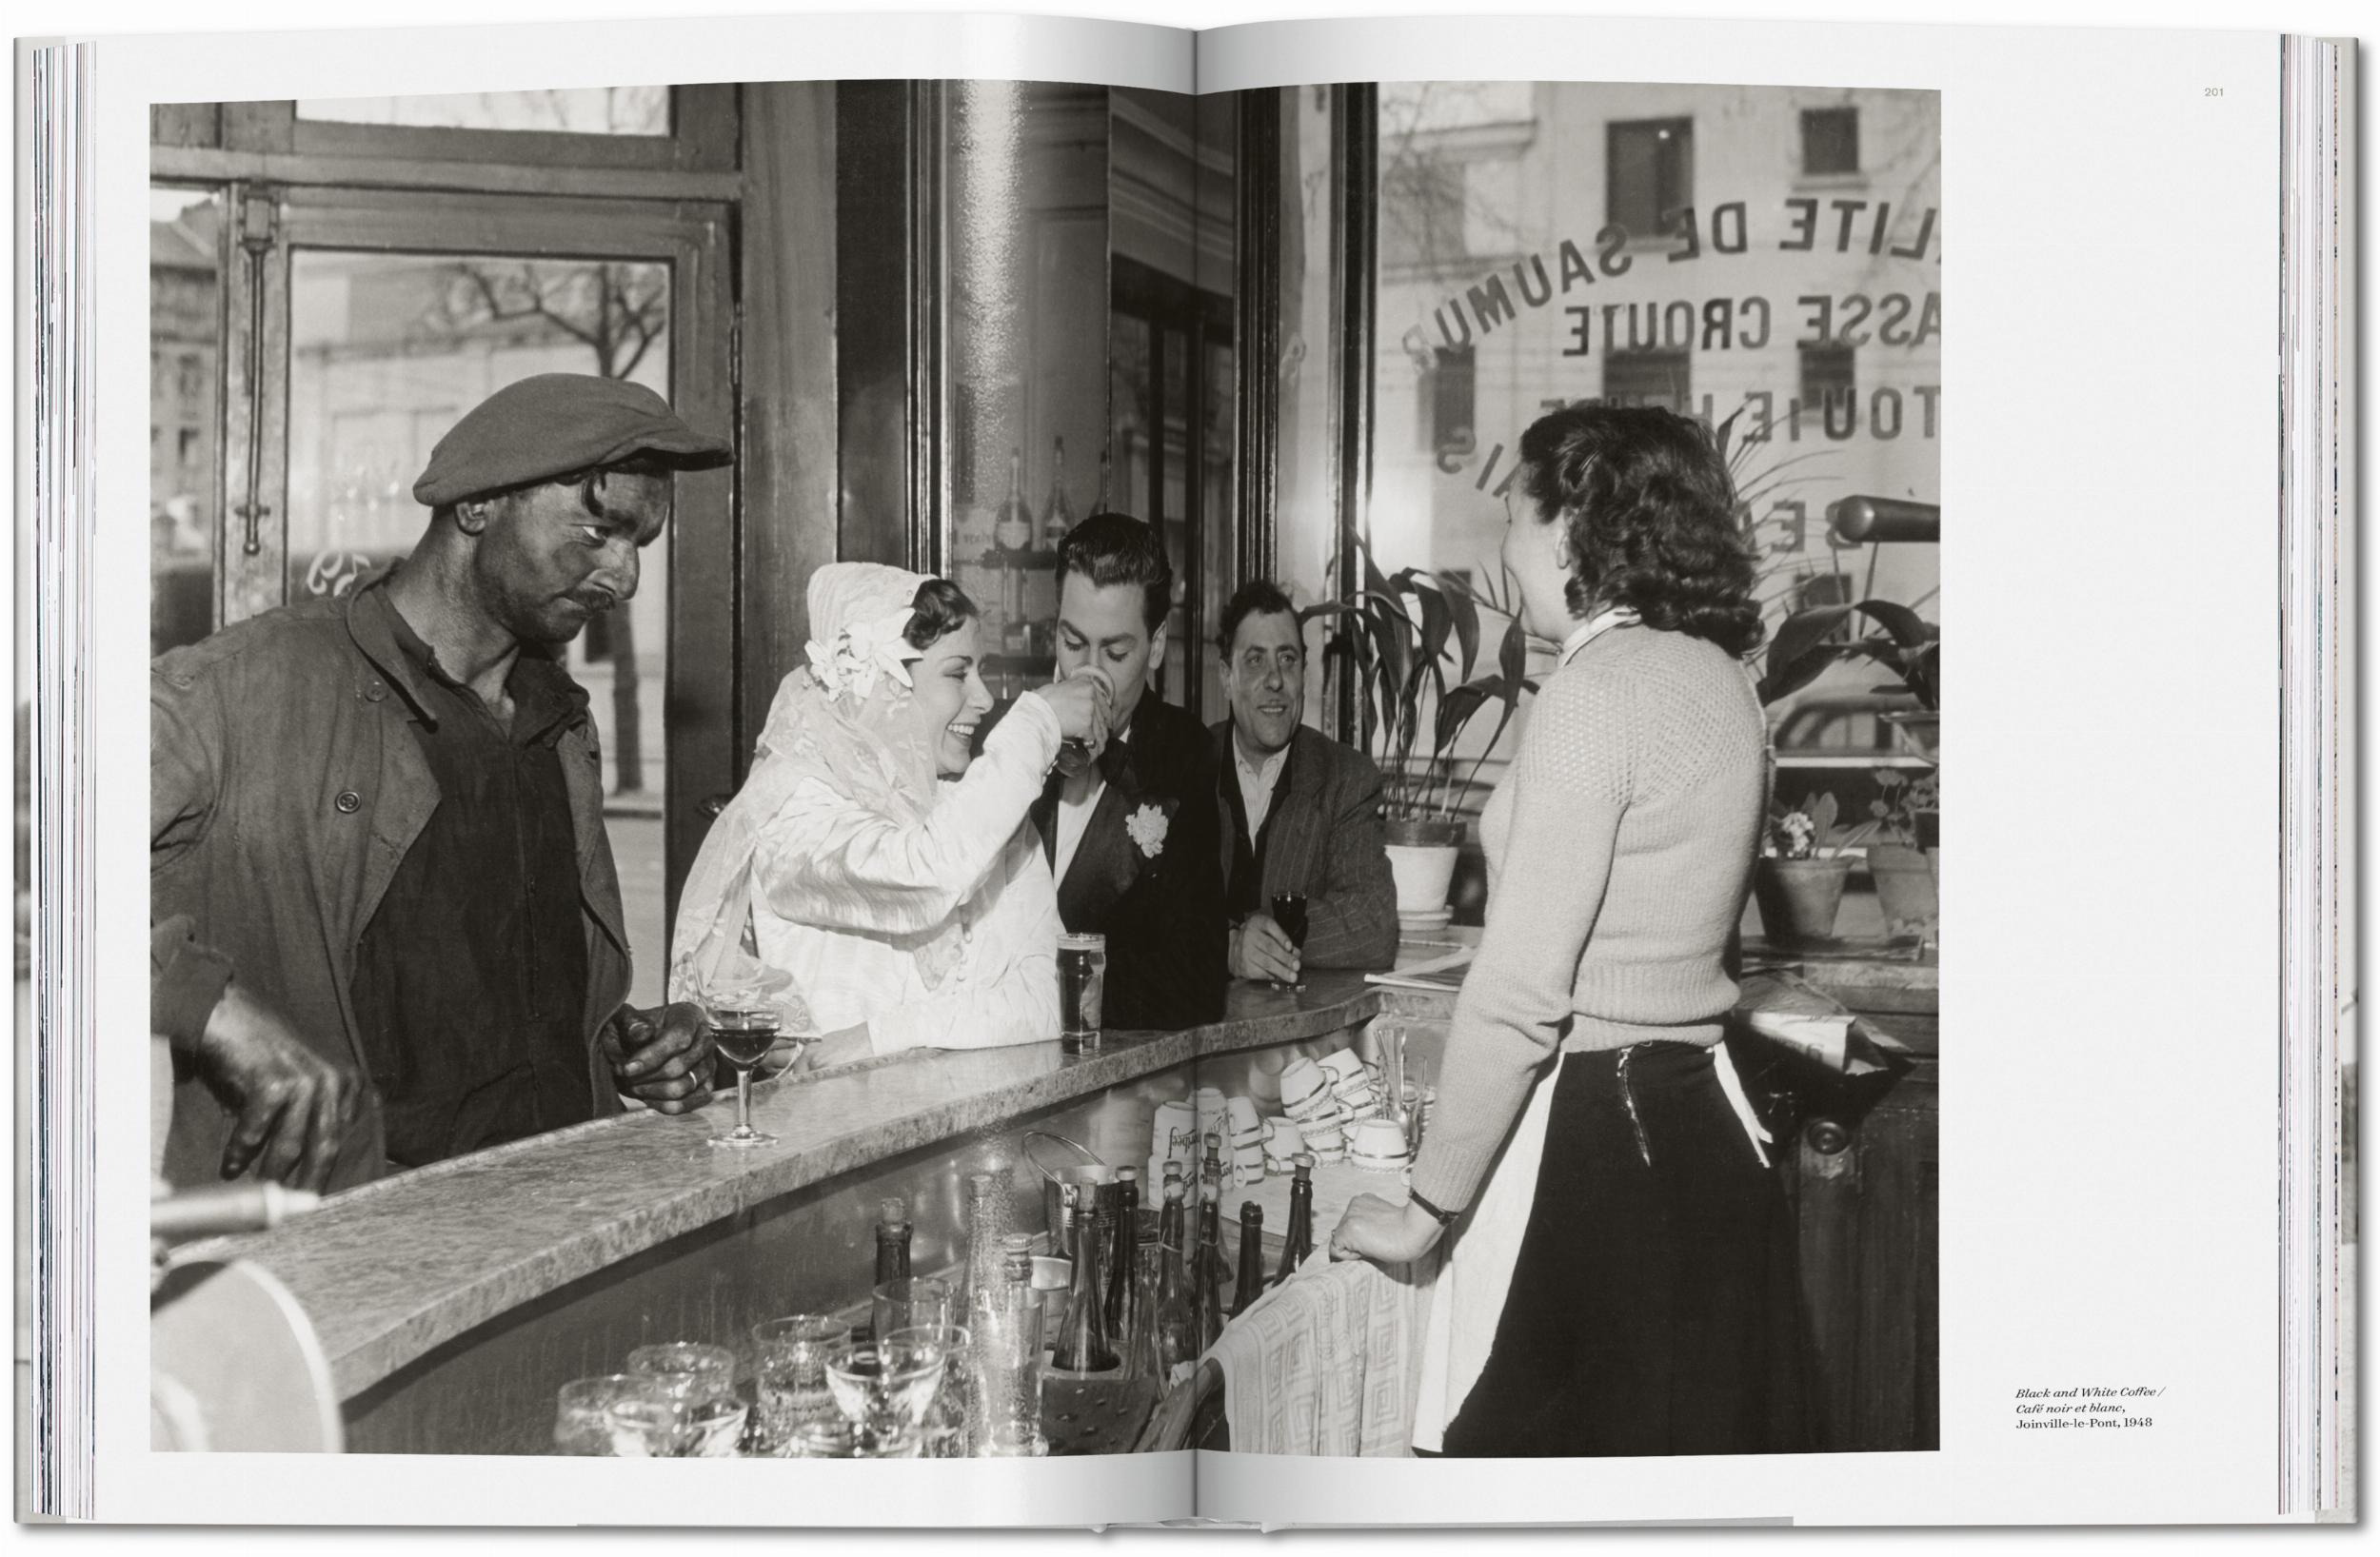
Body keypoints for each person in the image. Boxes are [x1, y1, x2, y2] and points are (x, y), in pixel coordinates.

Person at [1330, 404, 1807, 1457]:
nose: (1502, 548)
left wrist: (1421, 1209)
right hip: (1702, 1132)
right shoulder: (1724, 681)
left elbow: (1519, 991)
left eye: (1511, 516)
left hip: (1598, 1141)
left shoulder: (1594, 695)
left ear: (1569, 528)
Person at [151, 373, 732, 1189]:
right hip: (351, 1245)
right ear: (478, 504)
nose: (625, 578)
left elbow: (459, 990)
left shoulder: (556, 722)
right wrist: (208, 1009)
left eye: (640, 545)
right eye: (599, 531)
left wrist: (617, 1041)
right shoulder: (243, 689)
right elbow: (39, 888)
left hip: (557, 1218)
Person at [667, 563, 1112, 1069]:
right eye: (957, 672)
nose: (985, 699)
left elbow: (1056, 1000)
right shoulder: (794, 817)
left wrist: (880, 1037)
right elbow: (927, 873)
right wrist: (1038, 721)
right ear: (884, 686)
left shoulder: (981, 809)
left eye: (980, 671)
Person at [999, 511, 1228, 1030]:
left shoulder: (1184, 755)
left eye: (1116, 651)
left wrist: (1057, 989)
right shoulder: (1004, 733)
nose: (1089, 673)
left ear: (1157, 646)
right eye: (1073, 643)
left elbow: (1198, 981)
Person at [1208, 581, 1398, 981]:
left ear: (1303, 674)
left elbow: (1372, 927)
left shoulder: (1345, 778)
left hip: (1299, 1037)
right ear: (1227, 677)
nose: (1275, 680)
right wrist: (1223, 946)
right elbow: (1148, 914)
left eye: (1288, 660)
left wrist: (1246, 931)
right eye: (1256, 661)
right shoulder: (1187, 763)